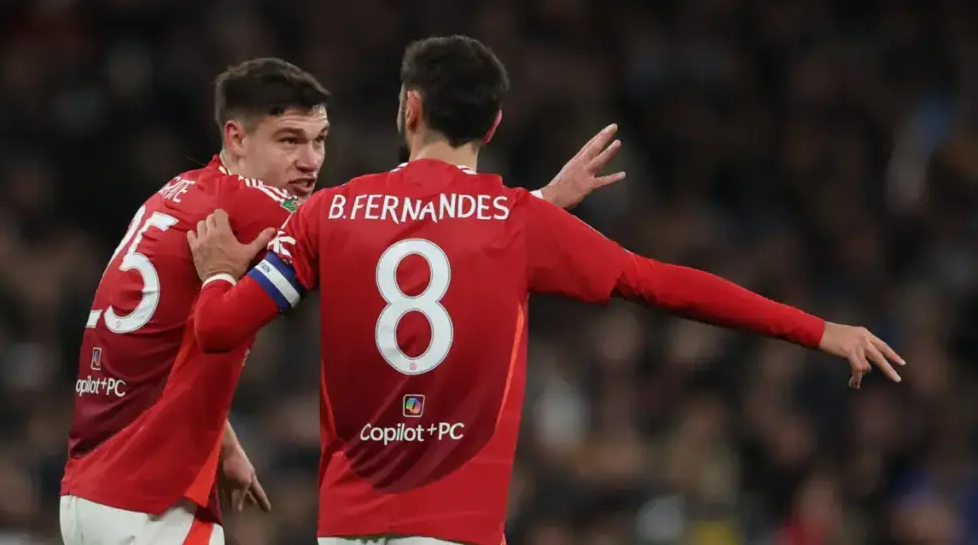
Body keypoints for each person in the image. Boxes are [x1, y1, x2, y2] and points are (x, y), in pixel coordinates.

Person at [184, 35, 905, 545]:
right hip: (456, 531)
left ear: (409, 109)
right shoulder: (513, 221)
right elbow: (661, 284)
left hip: (345, 529)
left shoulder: (328, 213)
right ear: (495, 123)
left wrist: (217, 270)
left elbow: (218, 328)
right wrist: (819, 329)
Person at [59, 56, 624, 545]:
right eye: (289, 141)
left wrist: (220, 441)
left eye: (319, 140)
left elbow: (158, 348)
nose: (310, 161)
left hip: (89, 495)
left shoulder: (175, 195)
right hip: (148, 503)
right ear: (236, 138)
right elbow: (397, 233)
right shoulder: (256, 208)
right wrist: (543, 204)